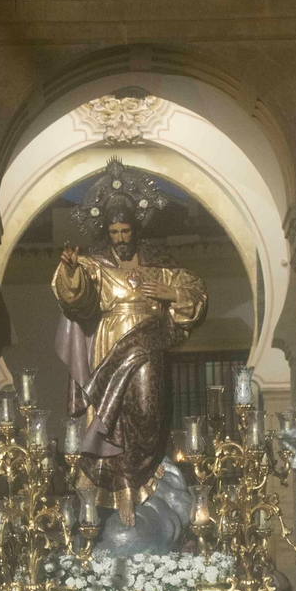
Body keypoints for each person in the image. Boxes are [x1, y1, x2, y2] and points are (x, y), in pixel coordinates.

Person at [53, 159, 209, 525]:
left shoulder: (158, 262)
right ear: (106, 231)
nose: (121, 238)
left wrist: (171, 292)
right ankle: (121, 485)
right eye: (114, 232)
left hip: (150, 344)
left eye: (125, 230)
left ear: (135, 228)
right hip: (110, 346)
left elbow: (196, 294)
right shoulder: (94, 264)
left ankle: (143, 476)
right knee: (116, 419)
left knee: (146, 411)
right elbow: (75, 301)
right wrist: (72, 271)